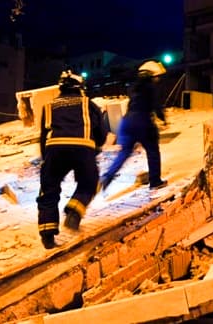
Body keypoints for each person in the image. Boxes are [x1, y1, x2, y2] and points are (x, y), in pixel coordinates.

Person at [37, 69, 108, 249]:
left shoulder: (49, 106)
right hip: (82, 148)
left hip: (55, 149)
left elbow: (43, 136)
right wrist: (96, 145)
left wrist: (47, 160)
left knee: (49, 188)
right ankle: (74, 211)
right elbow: (101, 132)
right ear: (80, 88)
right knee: (89, 182)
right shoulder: (89, 104)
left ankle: (47, 233)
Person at [100, 60, 169, 192]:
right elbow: (156, 105)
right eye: (156, 77)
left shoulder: (133, 87)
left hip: (126, 122)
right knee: (153, 151)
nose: (157, 80)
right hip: (142, 121)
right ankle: (155, 181)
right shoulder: (150, 87)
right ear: (151, 75)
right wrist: (163, 118)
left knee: (124, 153)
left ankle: (107, 177)